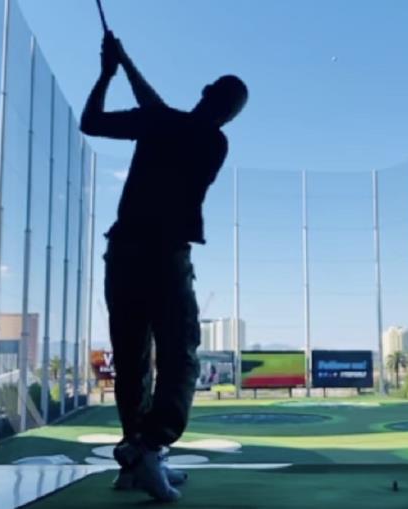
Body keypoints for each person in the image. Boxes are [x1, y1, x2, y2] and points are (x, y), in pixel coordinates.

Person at [81, 32, 248, 502]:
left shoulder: (198, 137)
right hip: (163, 258)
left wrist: (111, 71)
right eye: (231, 106)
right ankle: (149, 448)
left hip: (124, 254)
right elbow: (120, 117)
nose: (227, 114)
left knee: (132, 358)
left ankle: (137, 457)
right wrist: (120, 67)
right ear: (224, 110)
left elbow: (98, 119)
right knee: (178, 355)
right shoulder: (205, 137)